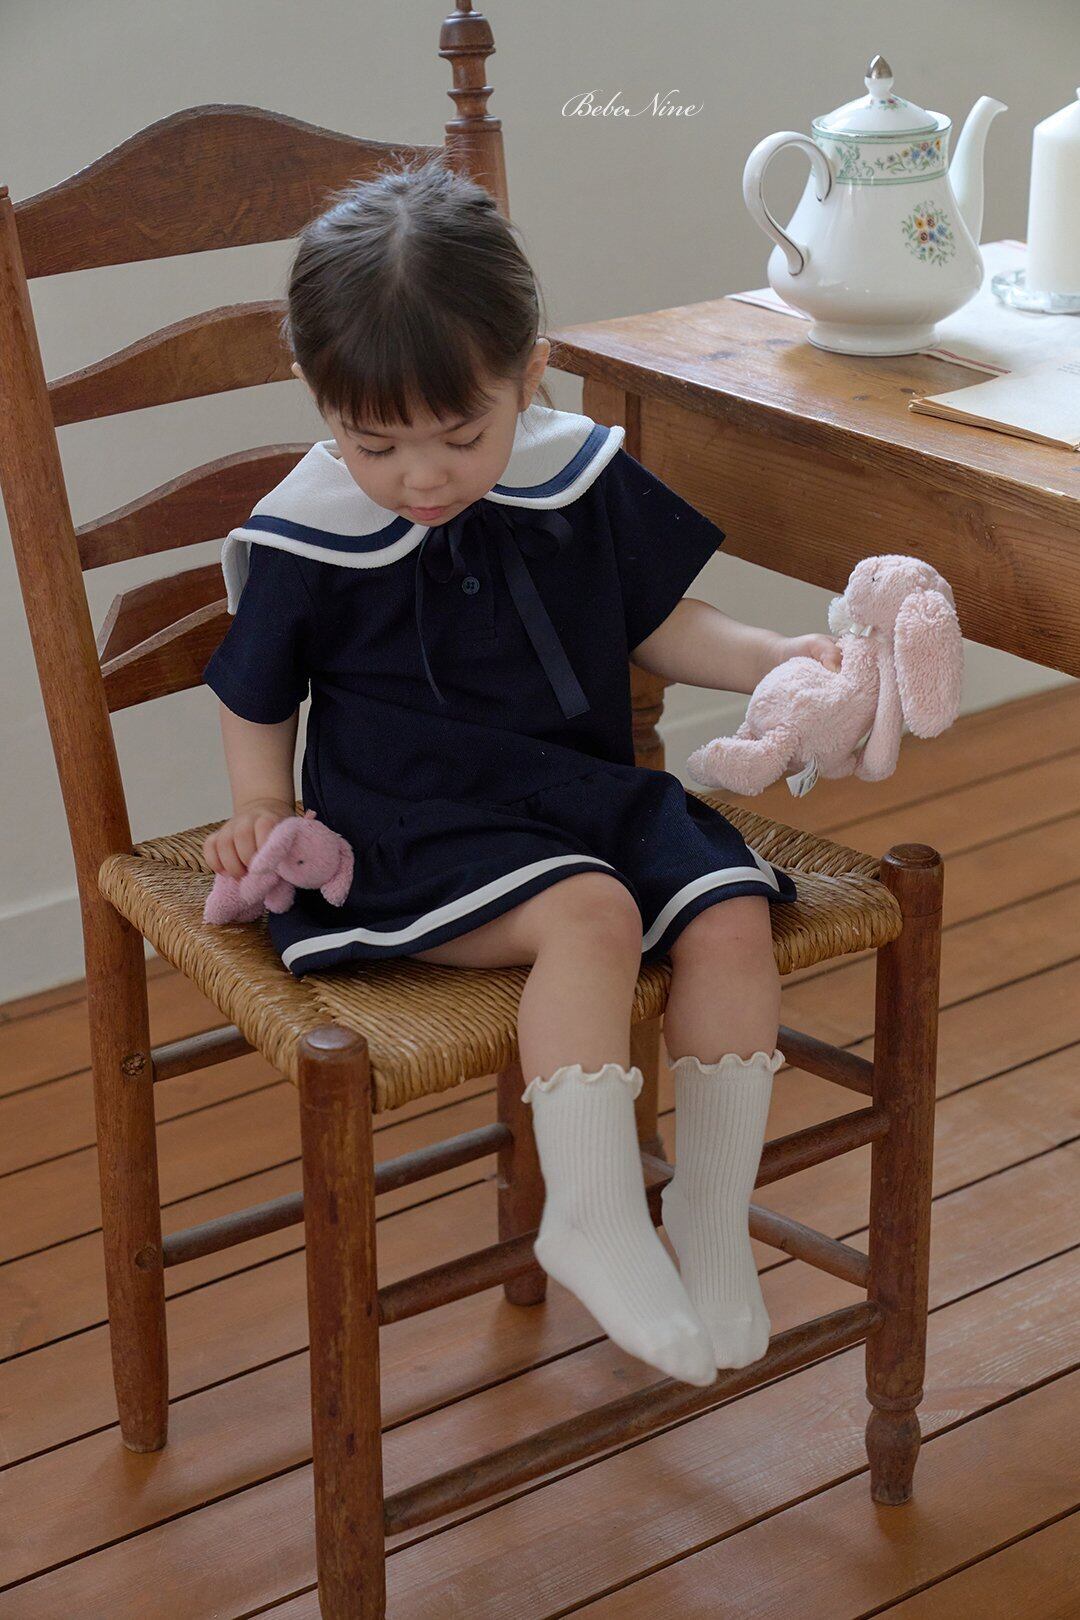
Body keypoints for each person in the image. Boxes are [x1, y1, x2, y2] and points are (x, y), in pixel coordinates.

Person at [201, 157, 842, 1390]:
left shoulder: (573, 474)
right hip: (412, 825)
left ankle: (710, 1216)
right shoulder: (311, 528)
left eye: (462, 435)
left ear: (528, 375)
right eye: (375, 443)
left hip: (582, 795)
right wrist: (262, 802)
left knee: (729, 914)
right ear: (321, 401)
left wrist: (770, 658)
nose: (422, 477)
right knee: (593, 915)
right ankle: (590, 1213)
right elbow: (255, 687)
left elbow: (663, 621)